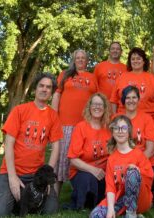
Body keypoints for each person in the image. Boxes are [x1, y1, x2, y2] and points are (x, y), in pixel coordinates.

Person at [0, 73, 63, 217]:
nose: (44, 89)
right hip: (12, 170)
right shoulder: (20, 110)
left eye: (48, 87)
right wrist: (12, 177)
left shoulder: (53, 116)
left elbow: (56, 147)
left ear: (52, 92)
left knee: (50, 210)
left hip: (37, 174)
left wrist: (48, 177)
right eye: (41, 85)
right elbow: (8, 144)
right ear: (35, 89)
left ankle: (23, 200)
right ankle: (16, 200)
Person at [51, 49, 98, 196]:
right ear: (74, 59)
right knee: (61, 158)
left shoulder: (93, 77)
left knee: (81, 158)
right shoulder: (65, 75)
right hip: (65, 124)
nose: (80, 60)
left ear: (87, 60)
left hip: (85, 125)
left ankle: (80, 192)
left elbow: (96, 100)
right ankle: (54, 194)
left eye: (83, 57)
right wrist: (53, 118)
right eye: (77, 57)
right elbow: (56, 96)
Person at [90, 115, 154, 218]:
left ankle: (131, 213)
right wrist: (110, 209)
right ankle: (126, 212)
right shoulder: (111, 159)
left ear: (129, 132)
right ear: (113, 132)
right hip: (120, 198)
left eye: (124, 128)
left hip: (140, 199)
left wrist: (137, 171)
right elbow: (110, 187)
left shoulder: (138, 154)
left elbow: (149, 177)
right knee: (95, 215)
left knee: (132, 172)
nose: (120, 131)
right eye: (116, 128)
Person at [66, 93, 111, 210]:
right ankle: (80, 203)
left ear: (105, 108)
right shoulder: (81, 127)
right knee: (88, 179)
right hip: (82, 171)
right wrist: (93, 170)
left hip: (103, 172)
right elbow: (73, 160)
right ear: (89, 107)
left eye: (100, 104)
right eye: (94, 104)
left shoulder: (108, 129)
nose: (97, 107)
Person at [110, 47, 154, 118]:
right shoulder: (121, 77)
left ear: (143, 61)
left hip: (149, 119)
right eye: (133, 59)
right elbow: (113, 100)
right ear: (130, 61)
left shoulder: (152, 78)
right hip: (125, 120)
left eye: (138, 58)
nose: (135, 61)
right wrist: (114, 117)